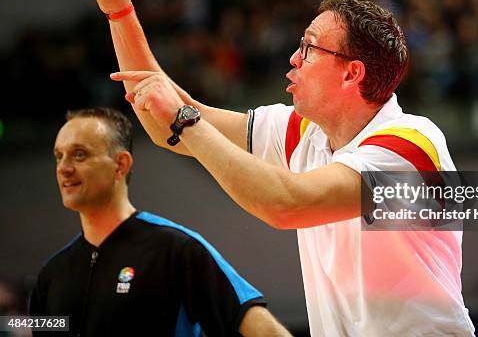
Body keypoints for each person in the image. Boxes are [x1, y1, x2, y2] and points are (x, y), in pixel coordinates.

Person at [75, 0, 475, 336]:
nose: (293, 58)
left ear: (352, 74)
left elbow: (285, 204)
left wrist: (184, 119)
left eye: (309, 48)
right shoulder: (303, 131)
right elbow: (170, 124)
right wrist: (120, 13)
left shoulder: (410, 145)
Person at [29, 107, 290, 337]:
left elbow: (265, 330)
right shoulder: (52, 276)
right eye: (58, 156)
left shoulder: (176, 250)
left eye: (79, 155)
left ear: (120, 165)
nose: (63, 168)